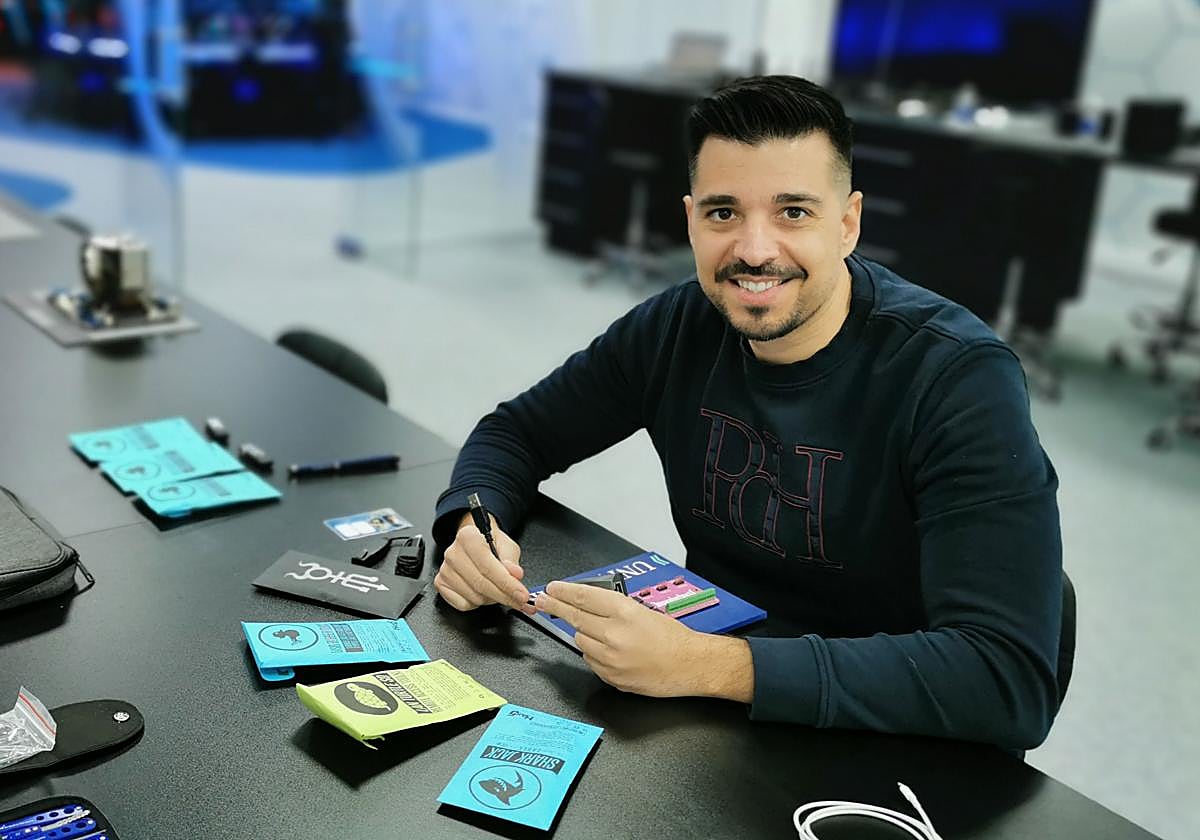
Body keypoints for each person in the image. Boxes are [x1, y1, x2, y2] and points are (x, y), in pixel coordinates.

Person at [430, 75, 1063, 751]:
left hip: (887, 739)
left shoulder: (956, 378)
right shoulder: (679, 325)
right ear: (691, 220)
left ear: (848, 223)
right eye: (724, 213)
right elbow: (517, 432)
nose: (755, 251)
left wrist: (704, 665)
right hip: (708, 716)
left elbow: (1005, 679)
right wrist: (474, 521)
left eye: (793, 212)